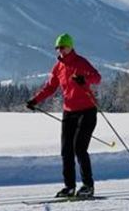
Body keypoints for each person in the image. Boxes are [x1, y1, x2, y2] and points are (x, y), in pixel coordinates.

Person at [26, 33, 101, 198]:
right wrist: (34, 100)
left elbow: (97, 78)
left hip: (87, 110)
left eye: (64, 47)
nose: (61, 50)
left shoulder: (81, 62)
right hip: (69, 111)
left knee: (79, 149)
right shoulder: (58, 67)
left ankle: (88, 186)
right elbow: (50, 88)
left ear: (71, 47)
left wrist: (84, 79)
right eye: (58, 48)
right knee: (66, 150)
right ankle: (69, 187)